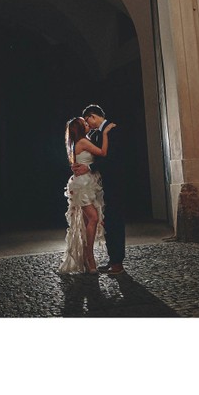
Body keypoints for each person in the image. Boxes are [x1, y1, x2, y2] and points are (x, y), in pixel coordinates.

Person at [72, 104, 125, 275]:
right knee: (107, 221)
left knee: (115, 221)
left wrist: (89, 167)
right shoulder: (94, 135)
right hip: (97, 185)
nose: (88, 125)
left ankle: (117, 262)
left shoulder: (113, 130)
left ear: (93, 116)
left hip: (114, 182)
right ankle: (112, 259)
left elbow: (113, 158)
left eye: (88, 121)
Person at [58, 116, 114, 275]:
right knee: (94, 218)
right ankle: (89, 256)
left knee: (85, 221)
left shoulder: (80, 142)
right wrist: (105, 133)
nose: (87, 123)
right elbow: (103, 152)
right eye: (84, 123)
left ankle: (85, 257)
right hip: (83, 185)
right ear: (80, 128)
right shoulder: (82, 142)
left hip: (85, 183)